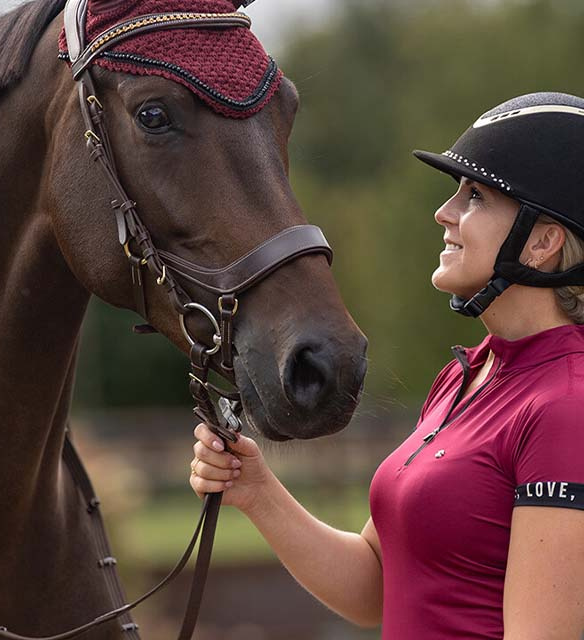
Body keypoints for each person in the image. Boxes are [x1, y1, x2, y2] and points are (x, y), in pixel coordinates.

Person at [189, 92, 584, 639]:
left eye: (475, 196)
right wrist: (256, 490)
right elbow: (376, 587)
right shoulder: (464, 377)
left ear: (542, 242)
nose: (444, 212)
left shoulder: (566, 408)